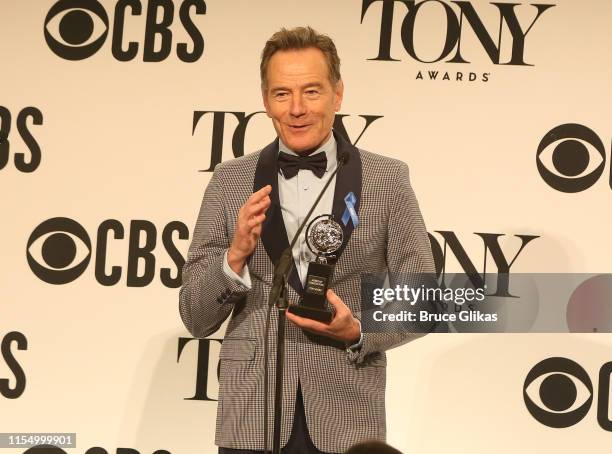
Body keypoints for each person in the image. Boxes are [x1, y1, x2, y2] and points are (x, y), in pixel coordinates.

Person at [179, 26, 435, 454]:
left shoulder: (387, 179)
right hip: (251, 419)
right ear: (265, 100)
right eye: (282, 94)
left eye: (312, 92)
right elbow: (194, 315)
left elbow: (422, 297)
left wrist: (358, 329)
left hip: (347, 419)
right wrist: (235, 257)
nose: (296, 108)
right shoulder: (229, 182)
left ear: (338, 94)